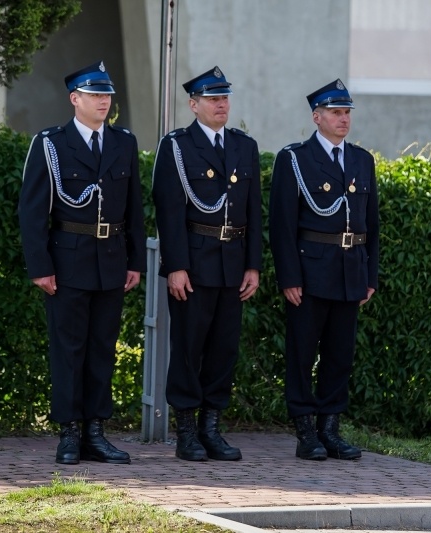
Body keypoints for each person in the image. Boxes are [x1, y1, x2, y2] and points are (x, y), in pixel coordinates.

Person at [18, 60, 146, 465]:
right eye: (94, 94)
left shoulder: (123, 142)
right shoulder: (51, 144)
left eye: (106, 94)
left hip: (111, 260)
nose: (103, 101)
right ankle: (70, 433)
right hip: (68, 261)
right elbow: (32, 211)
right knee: (68, 349)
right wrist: (40, 266)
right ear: (75, 99)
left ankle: (95, 432)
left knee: (102, 349)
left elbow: (134, 208)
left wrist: (136, 261)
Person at [152, 66, 262, 462]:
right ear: (193, 104)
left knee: (223, 349)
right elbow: (169, 210)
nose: (221, 105)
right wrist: (175, 265)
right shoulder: (177, 146)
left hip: (233, 263)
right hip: (195, 264)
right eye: (213, 99)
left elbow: (254, 210)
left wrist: (253, 265)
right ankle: (186, 432)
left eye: (225, 98)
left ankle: (210, 429)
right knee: (188, 347)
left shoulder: (243, 146)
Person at [269, 79, 379, 461]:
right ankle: (305, 432)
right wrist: (289, 277)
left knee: (339, 355)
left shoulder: (362, 160)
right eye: (335, 112)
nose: (343, 119)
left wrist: (370, 276)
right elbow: (282, 225)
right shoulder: (295, 159)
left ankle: (330, 430)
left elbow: (372, 224)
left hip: (350, 272)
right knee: (302, 354)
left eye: (347, 112)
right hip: (311, 272)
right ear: (317, 117)